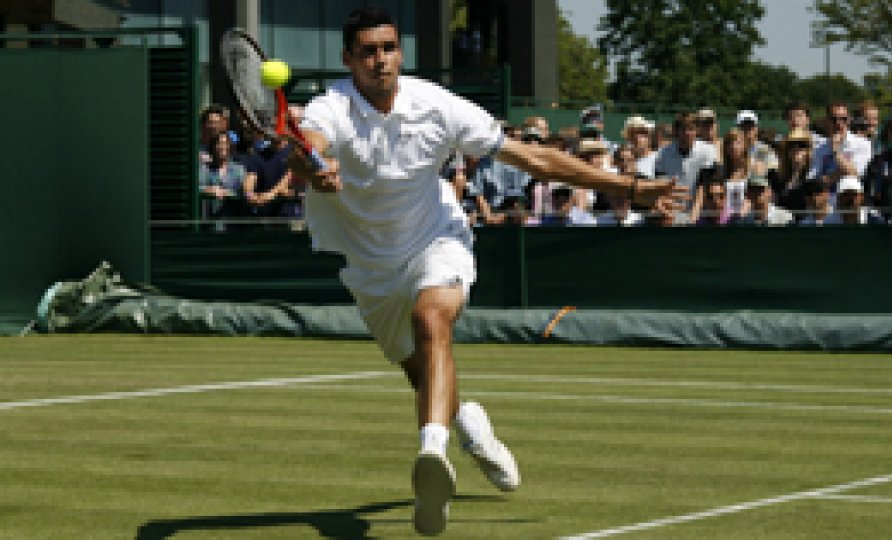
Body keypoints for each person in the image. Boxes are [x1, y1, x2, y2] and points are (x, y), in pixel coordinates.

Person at [289, 8, 686, 536]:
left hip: (437, 237)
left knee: (434, 320)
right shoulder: (329, 107)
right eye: (367, 51)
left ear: (399, 54)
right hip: (370, 267)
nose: (380, 60)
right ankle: (469, 426)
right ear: (349, 59)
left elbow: (534, 159)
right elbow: (306, 148)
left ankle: (433, 452)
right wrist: (315, 169)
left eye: (388, 49)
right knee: (421, 373)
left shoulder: (436, 105)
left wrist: (630, 188)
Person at [808, 102, 873, 189]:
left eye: (843, 119)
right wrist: (843, 172)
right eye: (834, 119)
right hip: (825, 198)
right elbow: (813, 178)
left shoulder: (863, 144)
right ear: (826, 121)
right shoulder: (819, 148)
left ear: (849, 120)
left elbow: (857, 174)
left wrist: (837, 152)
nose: (839, 124)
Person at [199, 130, 247, 221]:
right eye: (219, 143)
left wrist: (228, 193)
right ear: (213, 147)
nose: (222, 147)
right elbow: (197, 187)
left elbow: (244, 192)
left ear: (230, 147)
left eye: (225, 143)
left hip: (232, 222)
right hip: (210, 222)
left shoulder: (239, 169)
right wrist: (209, 189)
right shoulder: (205, 168)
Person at [772, 128, 814, 213]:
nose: (796, 148)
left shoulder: (814, 176)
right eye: (792, 145)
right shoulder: (778, 178)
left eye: (801, 145)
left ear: (808, 150)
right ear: (787, 151)